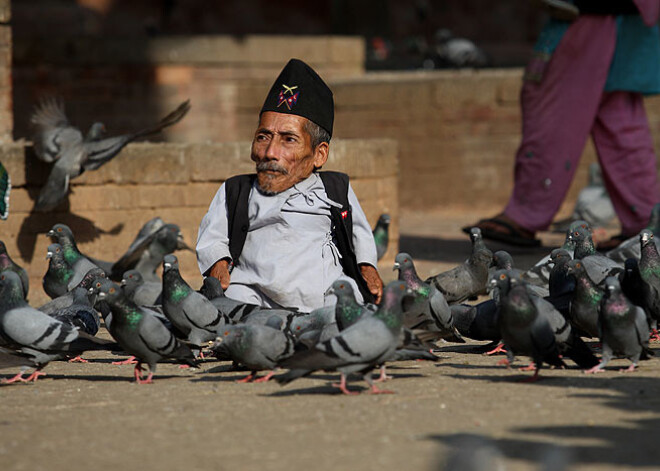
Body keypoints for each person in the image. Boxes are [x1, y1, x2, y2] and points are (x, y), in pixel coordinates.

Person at [466, 0, 660, 250]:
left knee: (555, 107)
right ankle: (646, 219)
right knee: (619, 117)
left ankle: (527, 212)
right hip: (627, 18)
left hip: (591, 17)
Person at [196, 58, 383, 312]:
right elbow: (212, 237)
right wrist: (219, 263)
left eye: (288, 140)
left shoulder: (335, 189)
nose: (270, 152)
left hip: (322, 292)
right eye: (263, 137)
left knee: (347, 300)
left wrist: (367, 266)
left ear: (319, 154)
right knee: (228, 305)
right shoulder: (236, 191)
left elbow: (359, 234)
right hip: (254, 291)